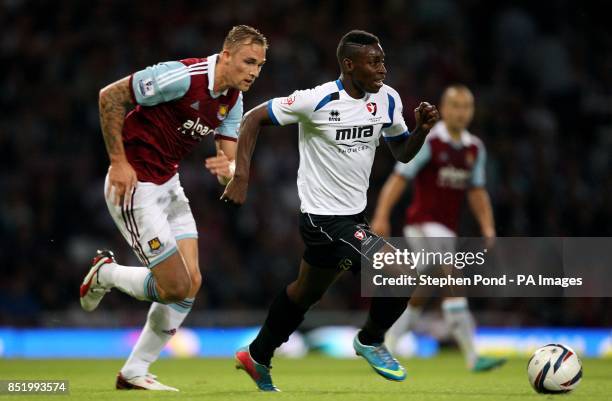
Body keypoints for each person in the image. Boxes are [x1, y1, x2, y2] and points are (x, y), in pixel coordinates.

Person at [222, 30, 439, 392]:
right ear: (349, 65)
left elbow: (402, 153)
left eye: (383, 60)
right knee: (402, 272)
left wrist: (420, 132)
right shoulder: (317, 100)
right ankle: (370, 340)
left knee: (304, 293)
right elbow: (252, 118)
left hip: (354, 217)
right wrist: (241, 176)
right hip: (322, 219)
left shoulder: (387, 100)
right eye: (374, 62)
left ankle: (257, 355)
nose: (383, 69)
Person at [79, 25, 267, 391]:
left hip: (168, 183)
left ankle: (134, 372)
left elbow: (226, 162)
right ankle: (105, 274)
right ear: (226, 55)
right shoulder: (182, 77)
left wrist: (227, 171)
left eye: (260, 65)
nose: (254, 72)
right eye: (248, 62)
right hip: (134, 186)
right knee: (175, 285)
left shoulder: (234, 99)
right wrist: (118, 162)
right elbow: (109, 97)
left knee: (192, 283)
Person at [370, 85, 506, 372]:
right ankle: (472, 356)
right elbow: (400, 177)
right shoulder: (431, 142)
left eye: (466, 106)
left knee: (422, 289)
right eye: (455, 106)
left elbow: (477, 191)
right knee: (451, 275)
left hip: (447, 230)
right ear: (444, 109)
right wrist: (382, 215)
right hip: (423, 224)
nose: (461, 112)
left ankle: (386, 342)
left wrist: (488, 225)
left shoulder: (473, 148)